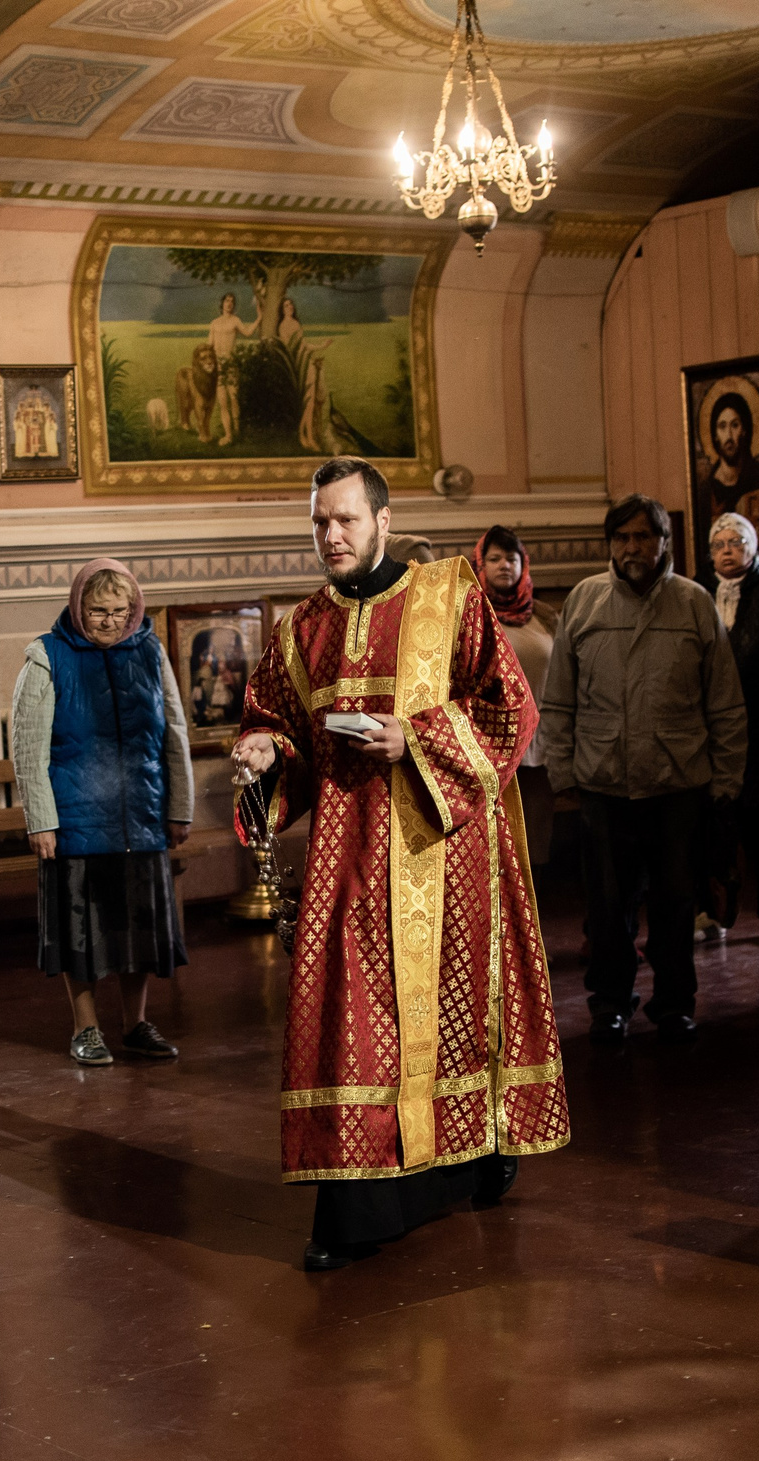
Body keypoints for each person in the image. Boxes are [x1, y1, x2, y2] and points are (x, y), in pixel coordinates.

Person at [232, 457, 568, 1273]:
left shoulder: (449, 597)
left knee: (450, 1022)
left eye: (346, 519)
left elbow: (508, 709)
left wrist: (412, 738)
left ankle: (472, 1161)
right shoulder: (300, 628)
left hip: (445, 859)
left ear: (383, 521)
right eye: (319, 521)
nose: (332, 535)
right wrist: (262, 751)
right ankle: (357, 1206)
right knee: (351, 1022)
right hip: (345, 864)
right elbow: (277, 722)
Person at [539, 495, 746, 1044]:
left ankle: (675, 1003)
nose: (633, 548)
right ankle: (610, 1003)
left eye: (643, 537)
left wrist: (726, 783)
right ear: (611, 544)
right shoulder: (584, 601)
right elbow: (557, 700)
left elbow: (724, 704)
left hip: (680, 784)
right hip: (604, 784)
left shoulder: (695, 604)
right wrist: (563, 774)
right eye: (622, 538)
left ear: (664, 543)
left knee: (677, 907)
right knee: (608, 909)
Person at [10, 559, 193, 1067]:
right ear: (77, 608)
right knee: (83, 936)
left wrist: (179, 807)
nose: (110, 621)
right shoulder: (46, 657)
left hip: (142, 818)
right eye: (98, 611)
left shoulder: (151, 652)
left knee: (139, 931)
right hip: (77, 822)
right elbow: (28, 747)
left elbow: (173, 733)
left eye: (120, 610)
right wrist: (41, 821)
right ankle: (85, 1028)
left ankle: (135, 1024)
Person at [695, 512, 759, 944]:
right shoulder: (696, 592)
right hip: (705, 721)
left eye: (737, 542)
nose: (728, 551)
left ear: (753, 548)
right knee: (710, 818)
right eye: (720, 544)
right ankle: (709, 910)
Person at [478, 524, 558, 867]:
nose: (504, 565)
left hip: (542, 743)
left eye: (511, 558)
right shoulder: (474, 613)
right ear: (481, 565)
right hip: (492, 744)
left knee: (536, 842)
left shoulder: (542, 615)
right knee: (495, 843)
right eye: (494, 558)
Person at [698, 391, 759, 571]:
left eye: (734, 425)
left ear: (744, 430)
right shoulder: (706, 491)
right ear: (714, 434)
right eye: (722, 426)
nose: (729, 435)